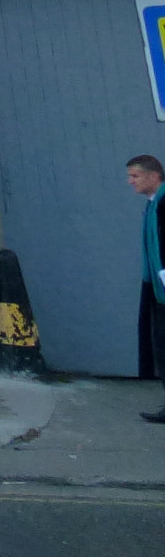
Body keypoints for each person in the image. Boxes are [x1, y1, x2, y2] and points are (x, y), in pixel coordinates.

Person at [130, 153, 165, 424]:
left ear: (154, 176)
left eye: (136, 176)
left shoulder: (162, 204)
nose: (131, 182)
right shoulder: (153, 204)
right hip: (155, 284)